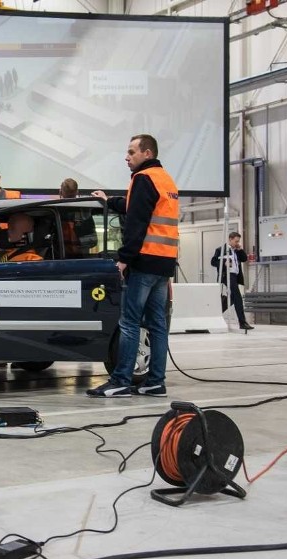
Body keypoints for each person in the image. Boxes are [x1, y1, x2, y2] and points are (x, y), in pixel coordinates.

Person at [88, 134, 178, 398]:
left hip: (144, 260)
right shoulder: (166, 180)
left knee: (129, 323)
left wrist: (124, 259)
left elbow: (137, 222)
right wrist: (109, 200)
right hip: (164, 263)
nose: (127, 157)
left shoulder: (142, 179)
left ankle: (121, 380)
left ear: (147, 153)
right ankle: (155, 382)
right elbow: (134, 206)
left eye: (131, 152)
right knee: (157, 325)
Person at [211, 231, 253, 330]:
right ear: (230, 239)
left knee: (233, 298)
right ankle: (242, 322)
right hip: (227, 276)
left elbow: (244, 259)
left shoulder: (236, 250)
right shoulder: (221, 250)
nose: (237, 243)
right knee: (238, 296)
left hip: (235, 276)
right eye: (236, 241)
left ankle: (216, 312)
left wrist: (240, 249)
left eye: (238, 241)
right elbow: (213, 261)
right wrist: (224, 262)